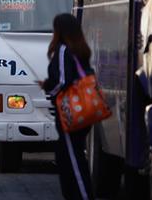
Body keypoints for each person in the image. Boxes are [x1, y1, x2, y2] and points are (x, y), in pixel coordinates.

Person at [42, 13, 94, 200]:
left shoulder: (64, 50)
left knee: (73, 161)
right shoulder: (80, 50)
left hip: (69, 114)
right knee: (68, 157)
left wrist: (49, 88)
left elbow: (63, 81)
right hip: (81, 113)